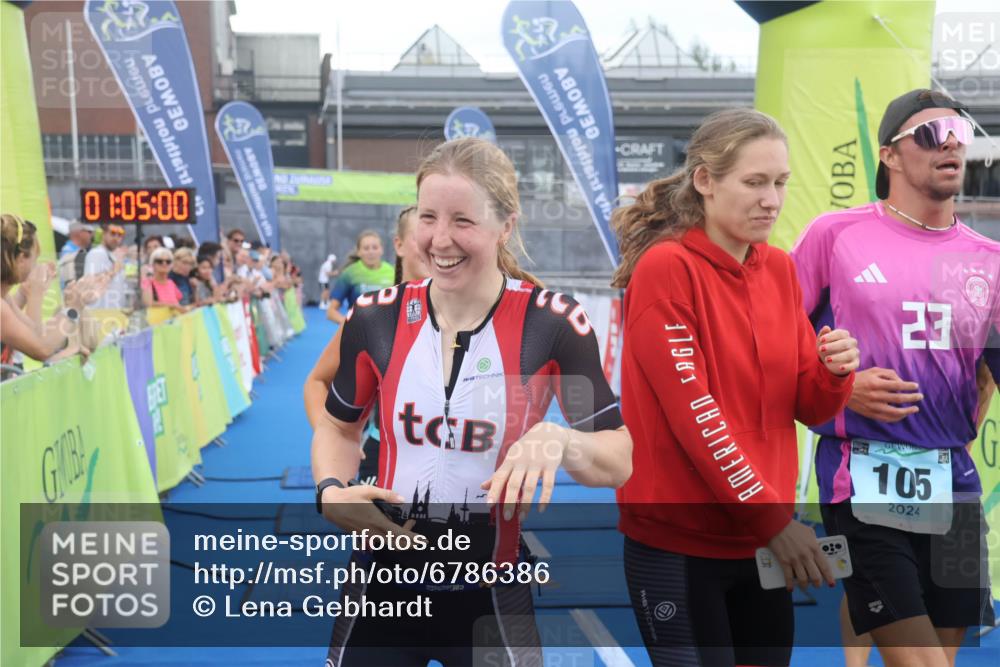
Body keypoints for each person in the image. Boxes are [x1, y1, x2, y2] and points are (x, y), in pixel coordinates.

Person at [313, 138, 632, 666]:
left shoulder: (553, 324)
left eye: (463, 221)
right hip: (381, 583)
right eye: (428, 217)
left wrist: (560, 439)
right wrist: (329, 490)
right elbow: (339, 428)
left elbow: (618, 459)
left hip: (492, 591)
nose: (439, 240)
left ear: (506, 225)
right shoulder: (374, 318)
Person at [611, 109, 860, 667]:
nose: (771, 199)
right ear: (705, 180)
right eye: (754, 182)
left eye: (780, 182)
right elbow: (696, 417)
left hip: (760, 540)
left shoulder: (778, 268)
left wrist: (835, 373)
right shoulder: (666, 268)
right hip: (680, 542)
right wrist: (775, 523)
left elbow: (807, 404)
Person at [791, 89, 998, 667]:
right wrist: (841, 386)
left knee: (943, 657)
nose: (953, 142)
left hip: (953, 482)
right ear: (890, 155)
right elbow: (769, 338)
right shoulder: (835, 235)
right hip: (860, 480)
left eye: (960, 132)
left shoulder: (989, 261)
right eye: (932, 133)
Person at [305, 205, 430, 487]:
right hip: (381, 454)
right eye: (423, 233)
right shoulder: (372, 314)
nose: (436, 243)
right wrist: (331, 439)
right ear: (398, 245)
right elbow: (316, 381)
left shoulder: (471, 314)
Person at [1, 214, 90, 363]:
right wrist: (73, 310)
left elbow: (35, 333)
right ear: (22, 258)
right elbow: (41, 349)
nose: (35, 266)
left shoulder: (5, 297)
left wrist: (27, 291)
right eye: (35, 258)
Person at [325, 230, 394, 324]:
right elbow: (331, 312)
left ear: (381, 250)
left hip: (387, 334)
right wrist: (351, 326)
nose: (371, 252)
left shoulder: (392, 272)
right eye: (366, 248)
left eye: (375, 247)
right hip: (358, 336)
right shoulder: (350, 273)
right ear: (359, 252)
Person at [83, 223, 129, 309]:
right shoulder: (96, 253)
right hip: (99, 313)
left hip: (114, 313)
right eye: (113, 233)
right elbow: (92, 284)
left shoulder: (114, 256)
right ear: (104, 234)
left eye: (120, 235)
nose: (116, 238)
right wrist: (114, 269)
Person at [142, 247, 187, 314]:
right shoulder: (147, 282)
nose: (164, 264)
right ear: (153, 264)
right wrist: (172, 306)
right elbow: (148, 303)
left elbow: (178, 303)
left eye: (168, 262)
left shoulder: (171, 283)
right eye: (160, 261)